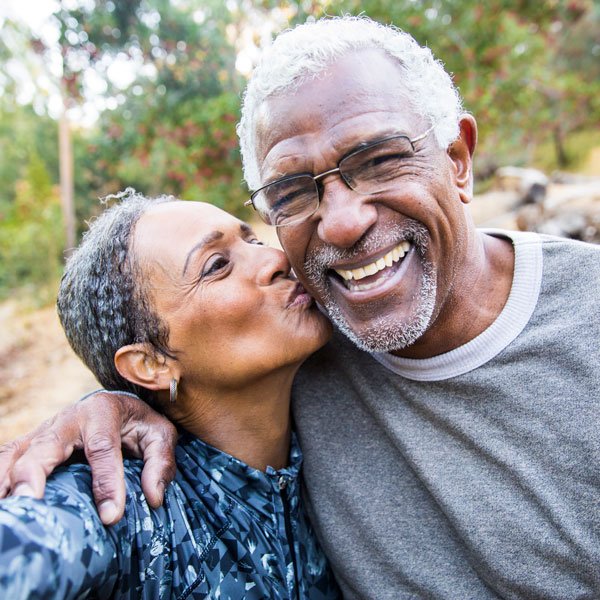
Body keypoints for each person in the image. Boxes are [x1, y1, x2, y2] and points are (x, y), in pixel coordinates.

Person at [2, 15, 600, 599]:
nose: (339, 224)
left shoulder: (581, 318)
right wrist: (106, 407)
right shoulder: (138, 498)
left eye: (379, 160)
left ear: (460, 159)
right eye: (291, 193)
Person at [0, 192, 340, 599]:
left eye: (252, 241)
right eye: (217, 266)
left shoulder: (336, 413)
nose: (275, 259)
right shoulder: (129, 506)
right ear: (151, 364)